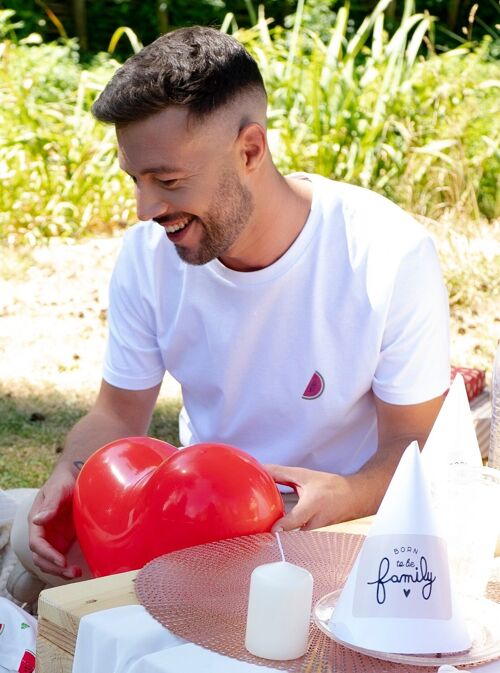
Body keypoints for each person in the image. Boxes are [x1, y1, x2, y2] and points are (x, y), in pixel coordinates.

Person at [12, 26, 450, 590]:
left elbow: (412, 448)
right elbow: (117, 415)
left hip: (332, 531)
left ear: (250, 150)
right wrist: (68, 473)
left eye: (167, 180)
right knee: (32, 539)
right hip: (195, 516)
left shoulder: (386, 254)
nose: (146, 209)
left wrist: (347, 494)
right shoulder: (147, 256)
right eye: (136, 181)